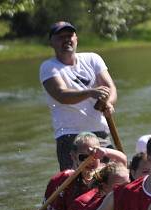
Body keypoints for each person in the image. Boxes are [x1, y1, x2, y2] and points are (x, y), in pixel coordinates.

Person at [39, 21, 118, 171]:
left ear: (76, 38)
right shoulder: (48, 67)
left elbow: (110, 88)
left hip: (99, 132)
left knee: (111, 178)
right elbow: (61, 95)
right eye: (60, 37)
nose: (66, 40)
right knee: (78, 185)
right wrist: (90, 92)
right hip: (70, 136)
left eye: (70, 35)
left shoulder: (93, 59)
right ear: (51, 42)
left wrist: (109, 103)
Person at [33, 132, 126, 210]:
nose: (89, 161)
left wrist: (105, 151)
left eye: (94, 156)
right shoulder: (65, 182)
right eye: (83, 157)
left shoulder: (105, 174)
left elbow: (123, 161)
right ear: (73, 156)